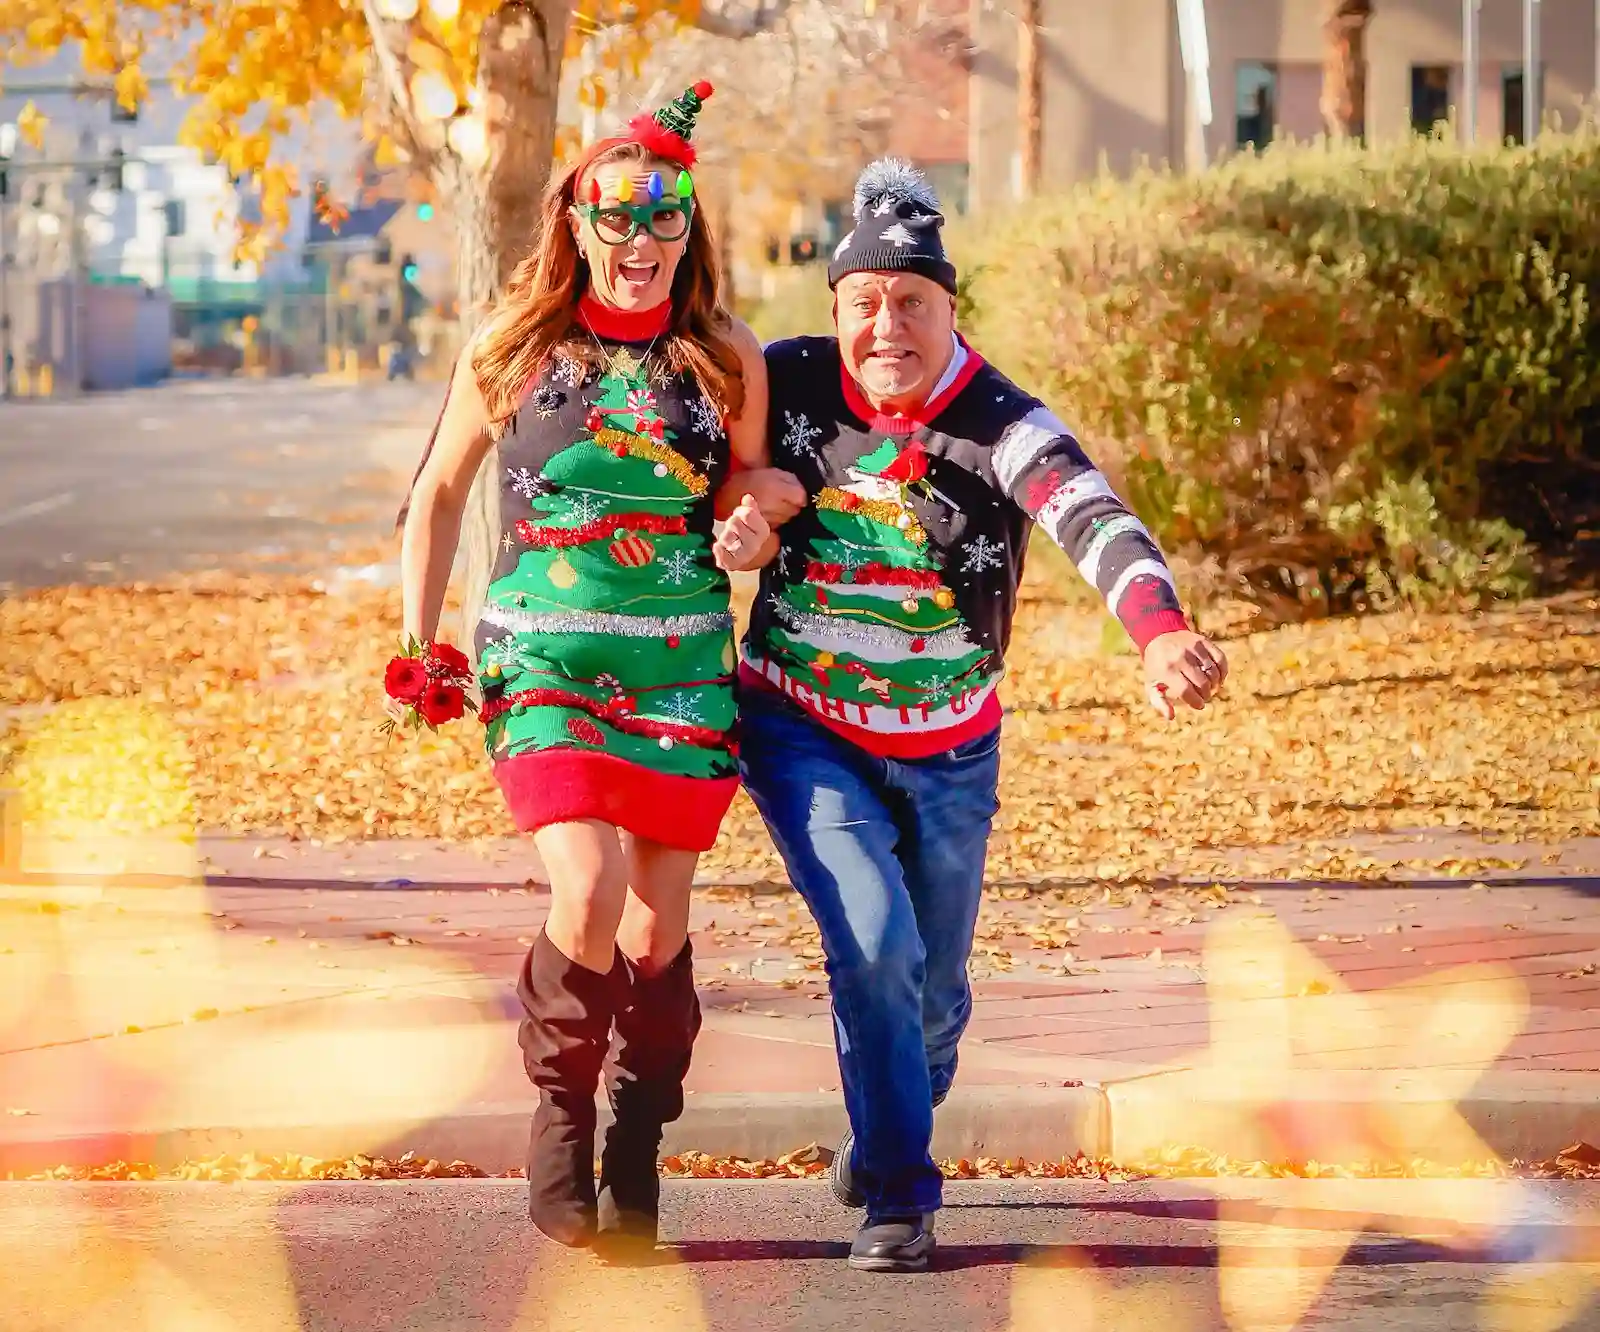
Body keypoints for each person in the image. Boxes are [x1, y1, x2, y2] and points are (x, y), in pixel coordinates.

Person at [726, 158, 1230, 1272]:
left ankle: (883, 1130)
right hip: (802, 725)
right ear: (835, 311)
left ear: (950, 309)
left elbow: (1092, 516)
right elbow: (693, 451)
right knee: (873, 944)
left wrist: (1158, 629)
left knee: (934, 993)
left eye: (911, 302)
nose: (886, 324)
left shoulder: (1002, 421)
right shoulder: (788, 381)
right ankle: (900, 1200)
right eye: (864, 302)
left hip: (950, 744)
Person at [396, 81, 793, 1257]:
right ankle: (561, 1113)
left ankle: (639, 1124)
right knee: (587, 891)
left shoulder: (726, 357)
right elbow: (438, 495)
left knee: (658, 927)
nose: (639, 241)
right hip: (545, 657)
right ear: (574, 221)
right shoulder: (512, 348)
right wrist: (425, 643)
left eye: (663, 217)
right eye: (614, 216)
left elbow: (747, 496)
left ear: (690, 228)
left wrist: (745, 528)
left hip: (678, 663)